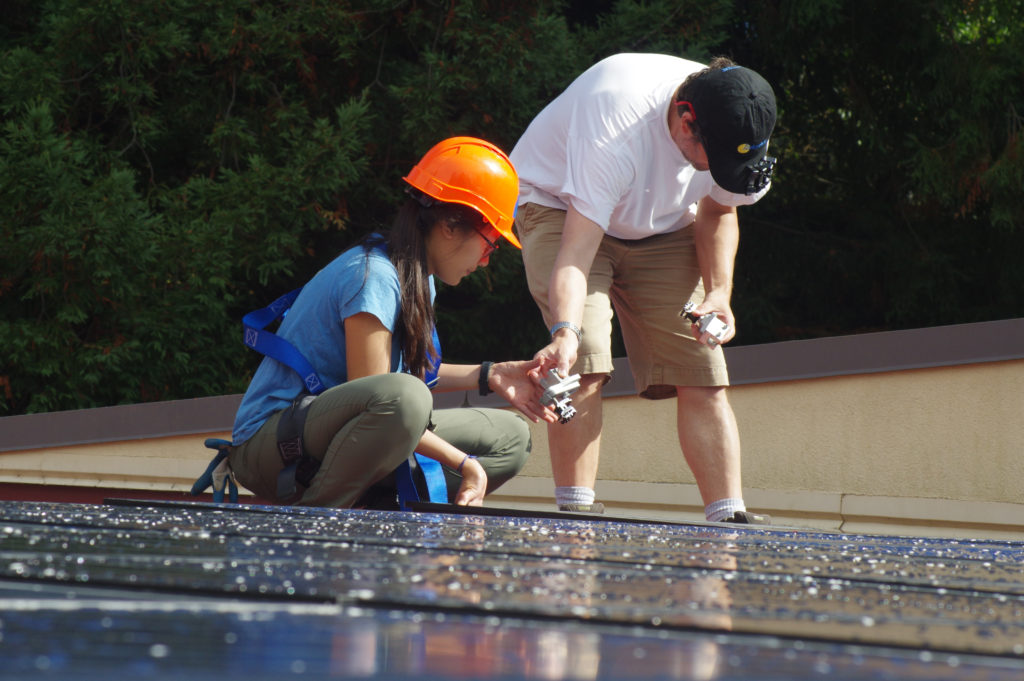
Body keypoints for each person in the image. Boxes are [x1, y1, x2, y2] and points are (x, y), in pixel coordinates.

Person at [510, 53, 777, 523]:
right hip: (559, 205)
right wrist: (565, 332)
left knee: (701, 361)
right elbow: (575, 254)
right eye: (713, 162)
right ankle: (576, 518)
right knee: (584, 356)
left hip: (660, 222)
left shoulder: (743, 116)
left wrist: (718, 294)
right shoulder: (615, 128)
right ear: (686, 122)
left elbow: (718, 210)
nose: (717, 171)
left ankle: (728, 518)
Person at [229, 136, 558, 509]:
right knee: (406, 398)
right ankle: (318, 520)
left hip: (344, 434)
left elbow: (395, 387)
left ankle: (379, 512)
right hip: (270, 447)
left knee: (511, 437)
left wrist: (489, 374)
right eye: (490, 243)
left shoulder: (418, 278)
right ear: (450, 225)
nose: (486, 261)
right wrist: (465, 464)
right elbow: (384, 398)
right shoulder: (374, 277)